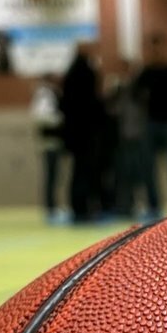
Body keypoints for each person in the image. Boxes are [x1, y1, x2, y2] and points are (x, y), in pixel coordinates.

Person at [132, 34, 167, 213]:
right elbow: (136, 97)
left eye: (159, 47)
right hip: (151, 124)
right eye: (153, 48)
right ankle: (153, 205)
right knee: (148, 168)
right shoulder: (146, 72)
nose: (157, 52)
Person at [60, 44, 107, 226]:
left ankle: (78, 208)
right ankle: (86, 208)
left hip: (74, 133)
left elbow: (64, 104)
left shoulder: (70, 74)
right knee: (87, 171)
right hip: (87, 133)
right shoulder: (87, 73)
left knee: (78, 171)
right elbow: (95, 103)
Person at [106, 59, 153, 219]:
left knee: (141, 172)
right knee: (123, 173)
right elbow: (112, 110)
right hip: (123, 138)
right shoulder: (118, 90)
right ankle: (125, 205)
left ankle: (145, 204)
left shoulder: (138, 88)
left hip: (139, 136)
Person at [31, 72, 67, 223]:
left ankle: (53, 206)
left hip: (54, 142)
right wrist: (60, 120)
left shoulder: (50, 94)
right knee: (51, 176)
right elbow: (40, 117)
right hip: (49, 143)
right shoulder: (44, 95)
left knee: (55, 176)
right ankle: (50, 208)